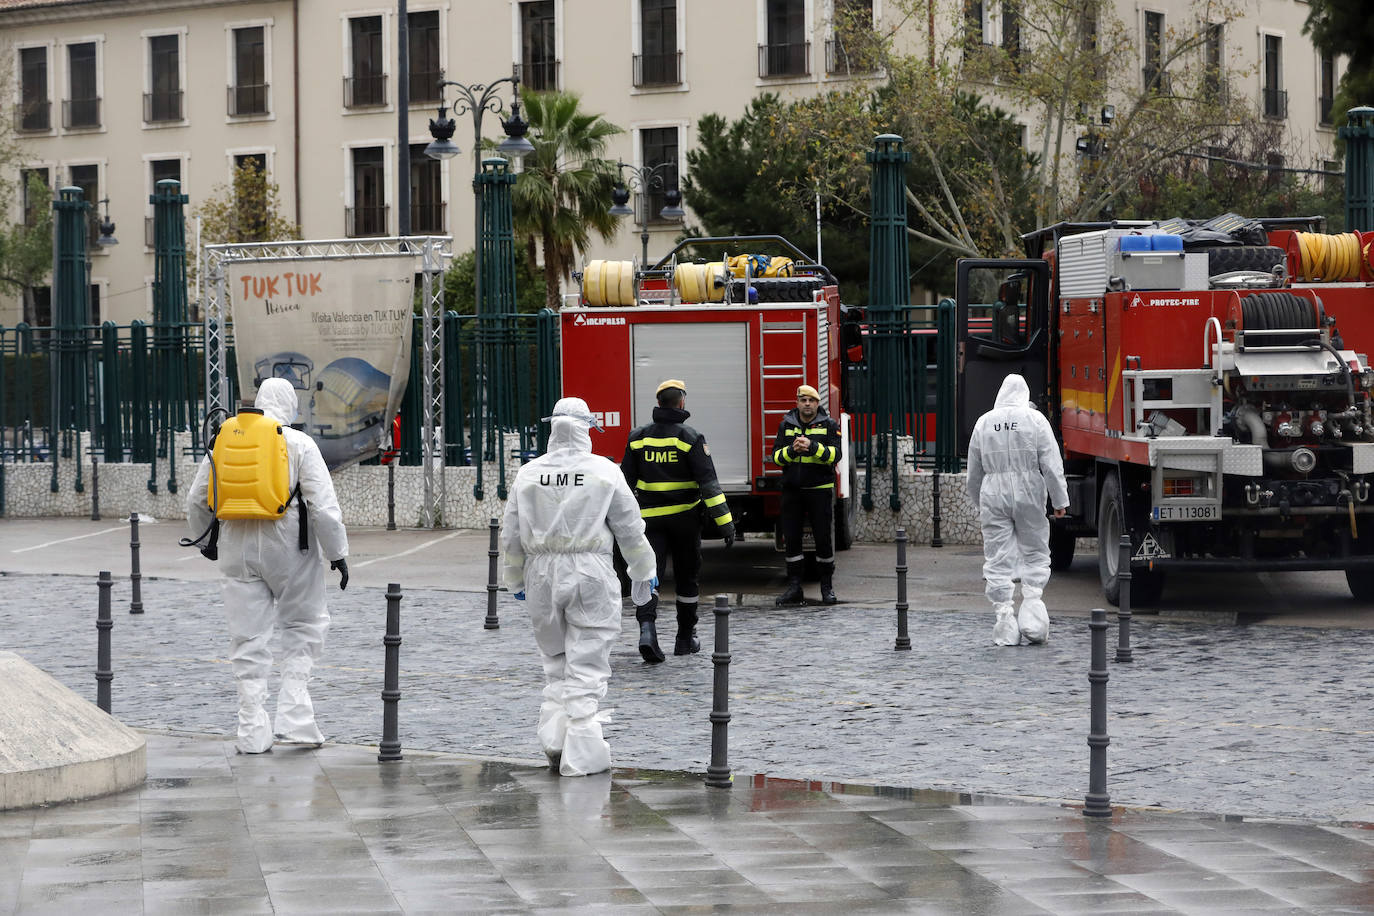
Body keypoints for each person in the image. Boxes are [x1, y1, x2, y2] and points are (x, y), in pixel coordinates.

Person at [185, 377, 350, 754]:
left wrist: (205, 543)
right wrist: (338, 553)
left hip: (235, 547)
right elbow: (324, 507)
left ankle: (251, 732)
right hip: (289, 547)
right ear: (290, 405)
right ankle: (296, 720)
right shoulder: (299, 443)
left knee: (247, 639)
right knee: (304, 625)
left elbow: (197, 500)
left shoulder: (225, 438)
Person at [503, 396, 657, 777]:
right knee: (589, 656)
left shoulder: (529, 473)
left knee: (555, 659)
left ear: (552, 427)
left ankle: (555, 739)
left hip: (541, 573)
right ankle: (583, 752)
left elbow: (510, 534)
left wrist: (515, 577)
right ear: (588, 427)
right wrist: (643, 569)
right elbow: (629, 526)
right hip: (590, 570)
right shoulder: (603, 471)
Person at [620, 380, 736, 664]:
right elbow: (709, 486)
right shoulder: (690, 437)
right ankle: (685, 638)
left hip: (648, 522)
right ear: (681, 403)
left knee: (648, 575)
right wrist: (726, 525)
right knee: (687, 578)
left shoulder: (638, 437)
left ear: (659, 403)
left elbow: (623, 485)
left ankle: (647, 630)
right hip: (685, 520)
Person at [966, 373, 1070, 646]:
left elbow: (973, 472)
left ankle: (1004, 622)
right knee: (1035, 551)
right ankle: (1033, 614)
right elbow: (1051, 463)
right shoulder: (1035, 420)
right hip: (1029, 492)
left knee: (998, 558)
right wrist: (1060, 501)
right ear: (1024, 395)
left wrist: (981, 503)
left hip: (993, 494)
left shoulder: (984, 422)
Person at [772, 384, 843, 606]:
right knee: (792, 540)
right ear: (797, 402)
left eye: (811, 401)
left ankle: (826, 587)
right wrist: (793, 450)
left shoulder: (829, 425)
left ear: (817, 403)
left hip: (819, 491)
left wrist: (812, 447)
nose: (807, 404)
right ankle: (794, 588)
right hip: (792, 491)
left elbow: (836, 455)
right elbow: (776, 457)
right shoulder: (786, 425)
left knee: (823, 540)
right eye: (803, 400)